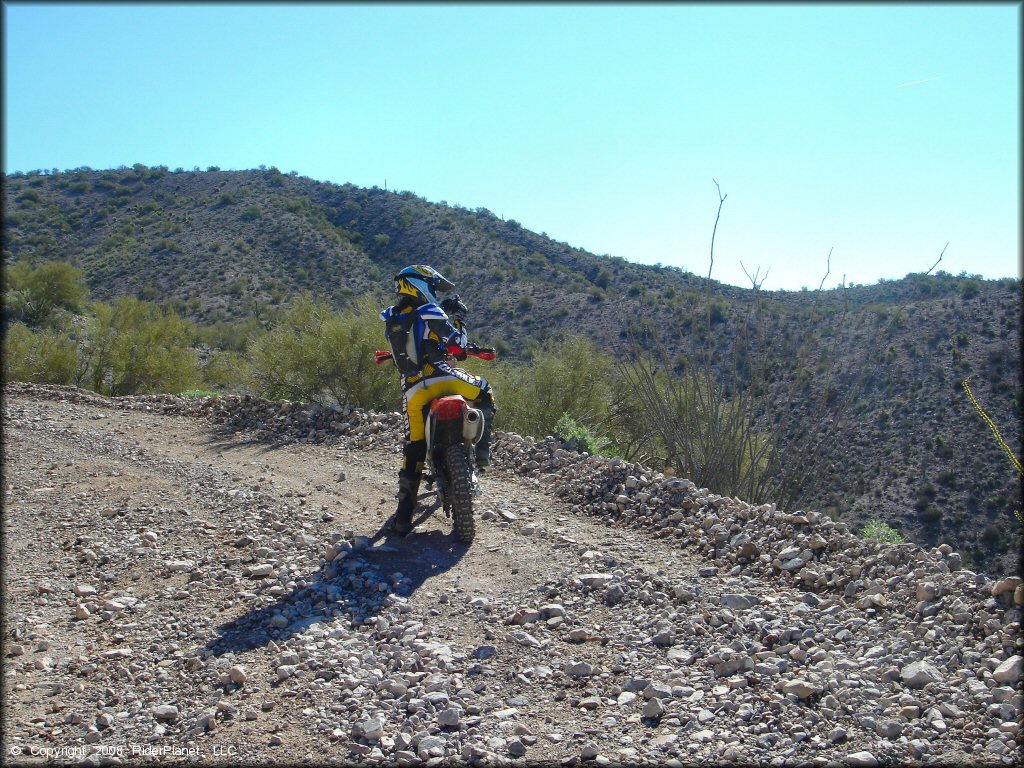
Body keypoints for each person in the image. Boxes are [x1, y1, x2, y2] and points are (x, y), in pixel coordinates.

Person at [380, 265, 496, 536]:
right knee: (486, 392)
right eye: (431, 286)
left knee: (414, 450)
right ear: (418, 285)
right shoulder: (429, 311)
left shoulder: (392, 319)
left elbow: (407, 351)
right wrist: (459, 319)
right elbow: (456, 343)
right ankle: (481, 455)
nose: (433, 291)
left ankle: (403, 519)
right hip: (443, 378)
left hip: (412, 391)